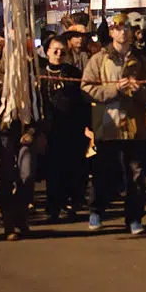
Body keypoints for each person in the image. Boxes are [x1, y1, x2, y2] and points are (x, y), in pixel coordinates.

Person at [81, 13, 146, 235]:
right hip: (107, 125)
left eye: (127, 28)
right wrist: (114, 89)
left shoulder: (142, 61)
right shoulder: (99, 59)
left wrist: (138, 90)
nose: (123, 32)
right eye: (118, 28)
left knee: (136, 174)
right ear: (112, 32)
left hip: (134, 127)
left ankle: (134, 218)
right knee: (104, 172)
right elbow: (87, 88)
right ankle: (96, 210)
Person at [41, 35, 90, 222]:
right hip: (49, 128)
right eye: (54, 50)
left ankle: (67, 204)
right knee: (52, 170)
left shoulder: (73, 73)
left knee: (71, 167)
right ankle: (52, 206)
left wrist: (87, 126)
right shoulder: (39, 72)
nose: (58, 53)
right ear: (47, 51)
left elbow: (82, 100)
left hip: (72, 128)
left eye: (62, 51)